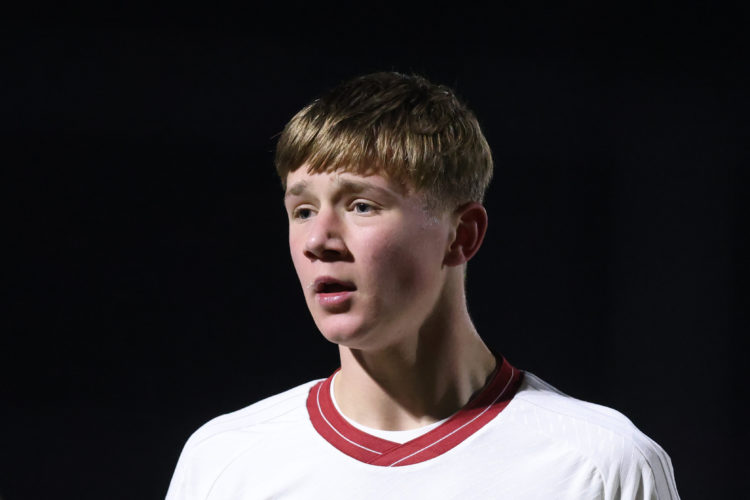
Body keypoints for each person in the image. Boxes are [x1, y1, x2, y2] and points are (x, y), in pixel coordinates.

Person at [166, 72, 679, 499]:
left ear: (462, 235)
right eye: (302, 210)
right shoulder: (223, 465)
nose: (318, 239)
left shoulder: (601, 467)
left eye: (361, 205)